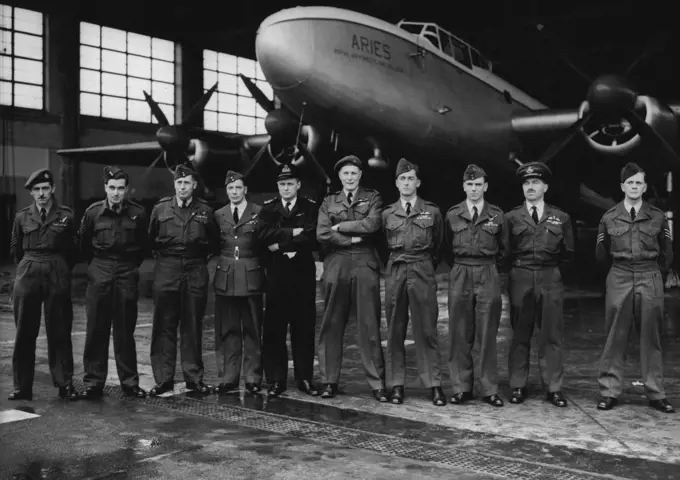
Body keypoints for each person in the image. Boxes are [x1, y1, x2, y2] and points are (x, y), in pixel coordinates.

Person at [595, 162, 674, 413]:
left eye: (638, 182)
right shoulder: (609, 217)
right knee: (615, 336)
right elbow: (600, 254)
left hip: (649, 274)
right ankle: (609, 391)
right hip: (619, 274)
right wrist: (618, 272)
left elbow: (668, 253)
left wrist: (653, 273)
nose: (634, 186)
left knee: (651, 336)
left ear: (645, 186)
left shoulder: (658, 216)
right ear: (622, 187)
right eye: (630, 183)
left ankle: (656, 393)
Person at [316, 155, 387, 401]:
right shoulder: (329, 201)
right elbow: (322, 233)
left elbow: (373, 224)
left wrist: (341, 227)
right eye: (345, 173)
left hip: (365, 262)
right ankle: (329, 381)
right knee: (331, 324)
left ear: (360, 176)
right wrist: (352, 237)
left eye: (354, 173)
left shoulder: (373, 197)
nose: (349, 177)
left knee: (369, 324)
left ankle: (377, 383)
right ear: (340, 176)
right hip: (336, 262)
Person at [505, 161, 574, 407]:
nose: (530, 187)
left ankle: (553, 387)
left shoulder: (561, 217)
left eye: (535, 182)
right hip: (521, 275)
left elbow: (569, 253)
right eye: (526, 183)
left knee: (551, 334)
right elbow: (504, 252)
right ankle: (517, 385)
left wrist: (552, 273)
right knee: (520, 334)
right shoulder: (511, 217)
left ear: (545, 186)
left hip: (549, 276)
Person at [77, 166, 147, 399]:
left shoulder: (138, 213)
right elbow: (84, 245)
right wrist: (98, 268)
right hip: (100, 270)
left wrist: (128, 267)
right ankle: (93, 382)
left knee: (125, 330)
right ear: (105, 188)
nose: (116, 193)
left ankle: (129, 382)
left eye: (120, 188)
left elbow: (144, 246)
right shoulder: (93, 213)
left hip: (127, 271)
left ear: (126, 189)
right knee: (96, 329)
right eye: (112, 188)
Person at [148, 164, 218, 396]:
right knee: (164, 325)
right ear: (174, 185)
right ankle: (163, 378)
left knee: (192, 324)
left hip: (195, 268)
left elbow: (214, 242)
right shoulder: (160, 209)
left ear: (194, 185)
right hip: (167, 268)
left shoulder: (206, 211)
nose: (182, 187)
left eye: (186, 183)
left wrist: (196, 260)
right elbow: (151, 240)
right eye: (179, 183)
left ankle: (194, 377)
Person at [8, 168, 79, 400]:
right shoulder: (22, 217)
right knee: (24, 331)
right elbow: (16, 249)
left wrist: (59, 268)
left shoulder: (66, 215)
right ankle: (22, 386)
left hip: (57, 269)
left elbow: (74, 250)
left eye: (45, 188)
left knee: (59, 329)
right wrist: (27, 268)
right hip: (28, 270)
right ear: (30, 192)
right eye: (36, 189)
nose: (41, 193)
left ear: (53, 189)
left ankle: (64, 383)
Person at [382, 158, 446, 406]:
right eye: (402, 179)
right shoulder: (387, 213)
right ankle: (396, 384)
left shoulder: (432, 212)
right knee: (395, 330)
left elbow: (439, 244)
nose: (406, 183)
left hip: (422, 269)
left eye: (411, 178)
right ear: (396, 184)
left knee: (427, 329)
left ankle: (434, 385)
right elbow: (380, 246)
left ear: (418, 182)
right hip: (397, 270)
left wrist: (425, 264)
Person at [444, 164, 508, 407]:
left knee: (487, 333)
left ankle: (490, 389)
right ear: (464, 186)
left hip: (487, 271)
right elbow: (445, 247)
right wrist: (462, 265)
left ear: (485, 187)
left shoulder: (497, 215)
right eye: (469, 185)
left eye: (478, 184)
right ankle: (461, 387)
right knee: (459, 333)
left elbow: (505, 249)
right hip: (460, 270)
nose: (473, 189)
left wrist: (488, 267)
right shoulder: (452, 214)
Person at [260, 164, 320, 397]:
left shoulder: (310, 207)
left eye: (290, 183)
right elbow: (262, 236)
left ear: (298, 185)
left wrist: (280, 243)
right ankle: (276, 380)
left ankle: (304, 378)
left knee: (303, 328)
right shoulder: (269, 208)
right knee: (274, 329)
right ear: (278, 186)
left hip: (302, 274)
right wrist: (293, 233)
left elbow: (313, 236)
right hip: (276, 274)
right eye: (282, 184)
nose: (286, 188)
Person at [212, 170, 265, 395]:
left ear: (245, 190)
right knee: (228, 329)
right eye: (230, 189)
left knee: (253, 328)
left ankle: (253, 377)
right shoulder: (218, 214)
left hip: (251, 274)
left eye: (238, 188)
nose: (234, 192)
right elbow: (213, 245)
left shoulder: (259, 213)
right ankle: (229, 377)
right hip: (226, 276)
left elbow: (263, 244)